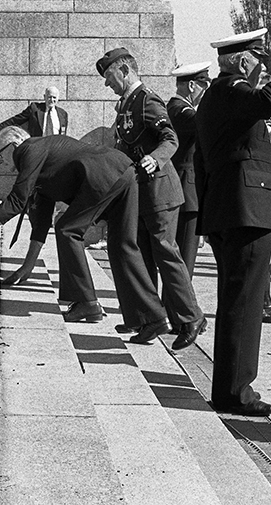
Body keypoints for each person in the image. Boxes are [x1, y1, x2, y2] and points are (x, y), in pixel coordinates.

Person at [0, 127, 169, 339]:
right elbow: (42, 219)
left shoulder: (28, 150)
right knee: (123, 245)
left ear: (14, 144)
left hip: (103, 175)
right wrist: (27, 267)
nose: (0, 161)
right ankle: (153, 317)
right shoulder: (42, 158)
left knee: (67, 230)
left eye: (0, 154)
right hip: (123, 171)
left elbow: (17, 199)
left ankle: (87, 303)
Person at [194, 28, 271, 416]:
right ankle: (235, 391)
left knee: (236, 301)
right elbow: (268, 100)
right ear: (244, 62)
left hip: (231, 209)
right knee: (244, 303)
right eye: (258, 61)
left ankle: (230, 387)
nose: (262, 68)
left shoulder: (217, 96)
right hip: (246, 211)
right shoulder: (232, 90)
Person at [97, 47, 206, 351]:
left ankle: (191, 317)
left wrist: (155, 160)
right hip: (142, 194)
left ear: (124, 71)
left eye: (109, 77)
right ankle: (150, 319)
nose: (107, 84)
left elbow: (170, 137)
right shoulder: (127, 103)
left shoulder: (147, 99)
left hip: (160, 191)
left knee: (166, 254)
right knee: (143, 258)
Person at [167, 61, 212, 279]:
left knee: (184, 259)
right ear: (192, 85)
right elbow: (205, 123)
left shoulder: (179, 109)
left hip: (187, 188)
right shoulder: (179, 110)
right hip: (187, 191)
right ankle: (179, 307)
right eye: (205, 87)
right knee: (185, 260)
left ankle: (176, 304)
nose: (206, 93)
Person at [0, 86, 67, 137]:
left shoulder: (63, 114)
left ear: (58, 98)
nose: (51, 100)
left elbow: (63, 135)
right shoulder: (34, 108)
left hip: (56, 151)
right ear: (44, 97)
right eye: (49, 97)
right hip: (38, 149)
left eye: (54, 97)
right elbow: (15, 120)